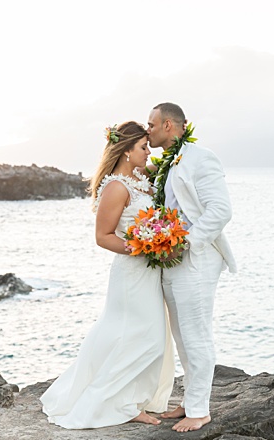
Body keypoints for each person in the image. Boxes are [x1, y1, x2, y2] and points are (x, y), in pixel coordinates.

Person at [39, 121, 175, 429]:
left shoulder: (142, 179)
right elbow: (103, 236)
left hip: (150, 272)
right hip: (132, 273)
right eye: (143, 147)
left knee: (142, 336)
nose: (148, 152)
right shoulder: (117, 187)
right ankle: (119, 403)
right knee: (145, 338)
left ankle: (134, 396)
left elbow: (170, 171)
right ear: (127, 151)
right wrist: (144, 247)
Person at [147, 103, 237, 432]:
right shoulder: (167, 164)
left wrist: (185, 242)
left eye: (152, 124)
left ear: (169, 125)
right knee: (181, 335)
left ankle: (200, 411)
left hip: (195, 259)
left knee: (196, 335)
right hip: (170, 260)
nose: (148, 131)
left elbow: (220, 210)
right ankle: (188, 402)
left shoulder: (201, 158)